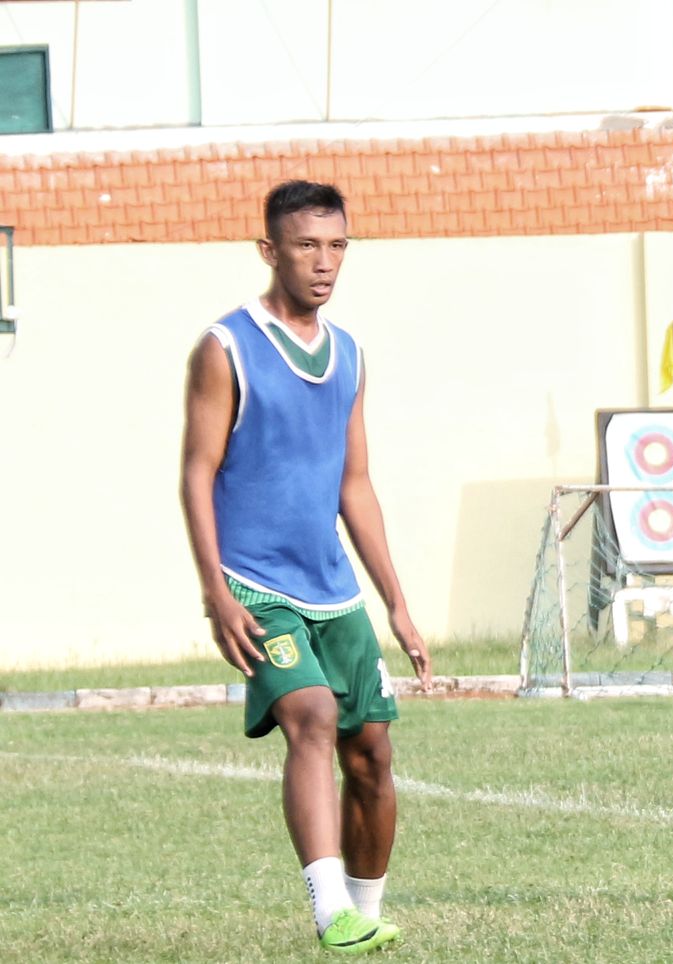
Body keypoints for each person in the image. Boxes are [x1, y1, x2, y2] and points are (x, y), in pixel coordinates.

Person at [180, 180, 433, 954]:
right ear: (269, 251)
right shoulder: (225, 348)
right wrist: (215, 589)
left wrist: (395, 601)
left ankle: (365, 910)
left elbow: (354, 484)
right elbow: (196, 471)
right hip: (258, 584)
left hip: (334, 589)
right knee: (313, 719)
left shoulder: (350, 353)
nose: (325, 263)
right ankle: (331, 914)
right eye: (306, 246)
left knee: (374, 757)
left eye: (337, 246)